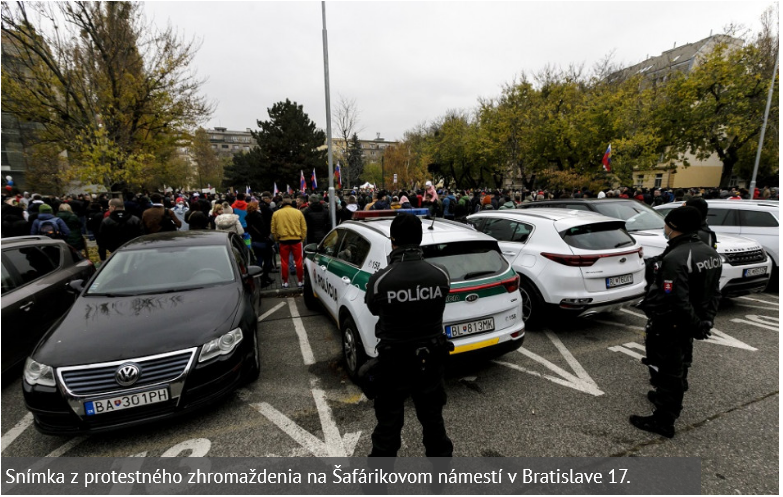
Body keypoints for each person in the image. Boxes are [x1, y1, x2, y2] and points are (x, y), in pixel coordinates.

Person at [364, 213, 454, 457]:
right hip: (432, 359)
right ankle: (441, 482)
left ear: (393, 240)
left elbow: (373, 308)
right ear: (420, 239)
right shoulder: (441, 274)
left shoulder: (380, 280)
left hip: (393, 361)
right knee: (433, 422)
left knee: (388, 427)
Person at [632, 206, 722, 438]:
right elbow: (714, 292)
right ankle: (664, 396)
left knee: (669, 369)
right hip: (691, 322)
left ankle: (664, 420)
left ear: (674, 227)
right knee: (681, 362)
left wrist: (696, 324)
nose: (664, 227)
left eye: (667, 224)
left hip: (671, 323)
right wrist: (705, 321)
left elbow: (676, 299)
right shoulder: (709, 252)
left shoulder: (676, 257)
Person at [270, 194, 307, 289]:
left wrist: (277, 239)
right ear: (291, 202)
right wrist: (302, 238)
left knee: (284, 262)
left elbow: (273, 229)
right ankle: (300, 281)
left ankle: (285, 282)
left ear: (282, 202)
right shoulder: (298, 212)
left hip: (283, 240)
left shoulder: (276, 213)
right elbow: (303, 227)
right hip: (296, 240)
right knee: (299, 261)